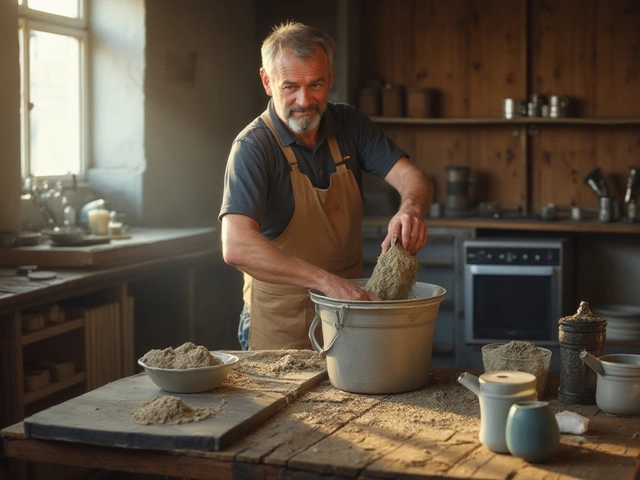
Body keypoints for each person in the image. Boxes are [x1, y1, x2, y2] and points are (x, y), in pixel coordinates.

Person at [219, 21, 433, 351]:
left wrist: (411, 209)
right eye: (290, 87)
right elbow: (236, 245)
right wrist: (327, 283)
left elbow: (412, 177)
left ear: (330, 77)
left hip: (350, 315)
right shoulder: (252, 147)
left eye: (315, 84)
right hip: (280, 322)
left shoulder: (350, 124)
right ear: (267, 81)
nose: (304, 100)